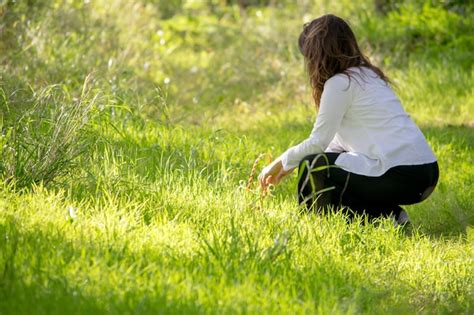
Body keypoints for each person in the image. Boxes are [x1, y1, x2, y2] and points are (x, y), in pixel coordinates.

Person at [258, 14, 439, 224]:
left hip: (401, 174)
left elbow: (317, 144)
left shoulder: (340, 83)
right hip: (426, 172)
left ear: (318, 54)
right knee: (323, 168)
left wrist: (278, 163)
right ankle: (390, 217)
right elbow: (336, 146)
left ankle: (308, 224)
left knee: (313, 165)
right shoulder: (368, 75)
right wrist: (289, 166)